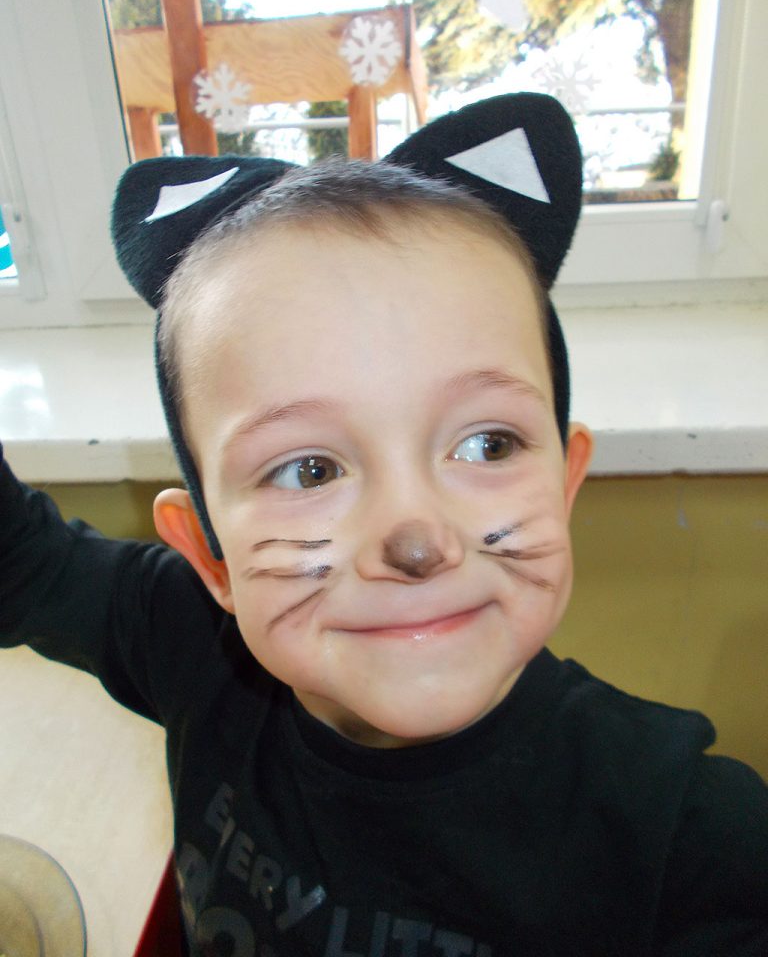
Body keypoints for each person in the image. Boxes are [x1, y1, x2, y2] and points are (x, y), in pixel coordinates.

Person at [1, 94, 766, 956]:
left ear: (563, 484)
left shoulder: (687, 837)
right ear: (209, 558)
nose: (417, 540)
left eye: (486, 443)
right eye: (310, 470)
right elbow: (18, 561)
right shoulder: (191, 645)